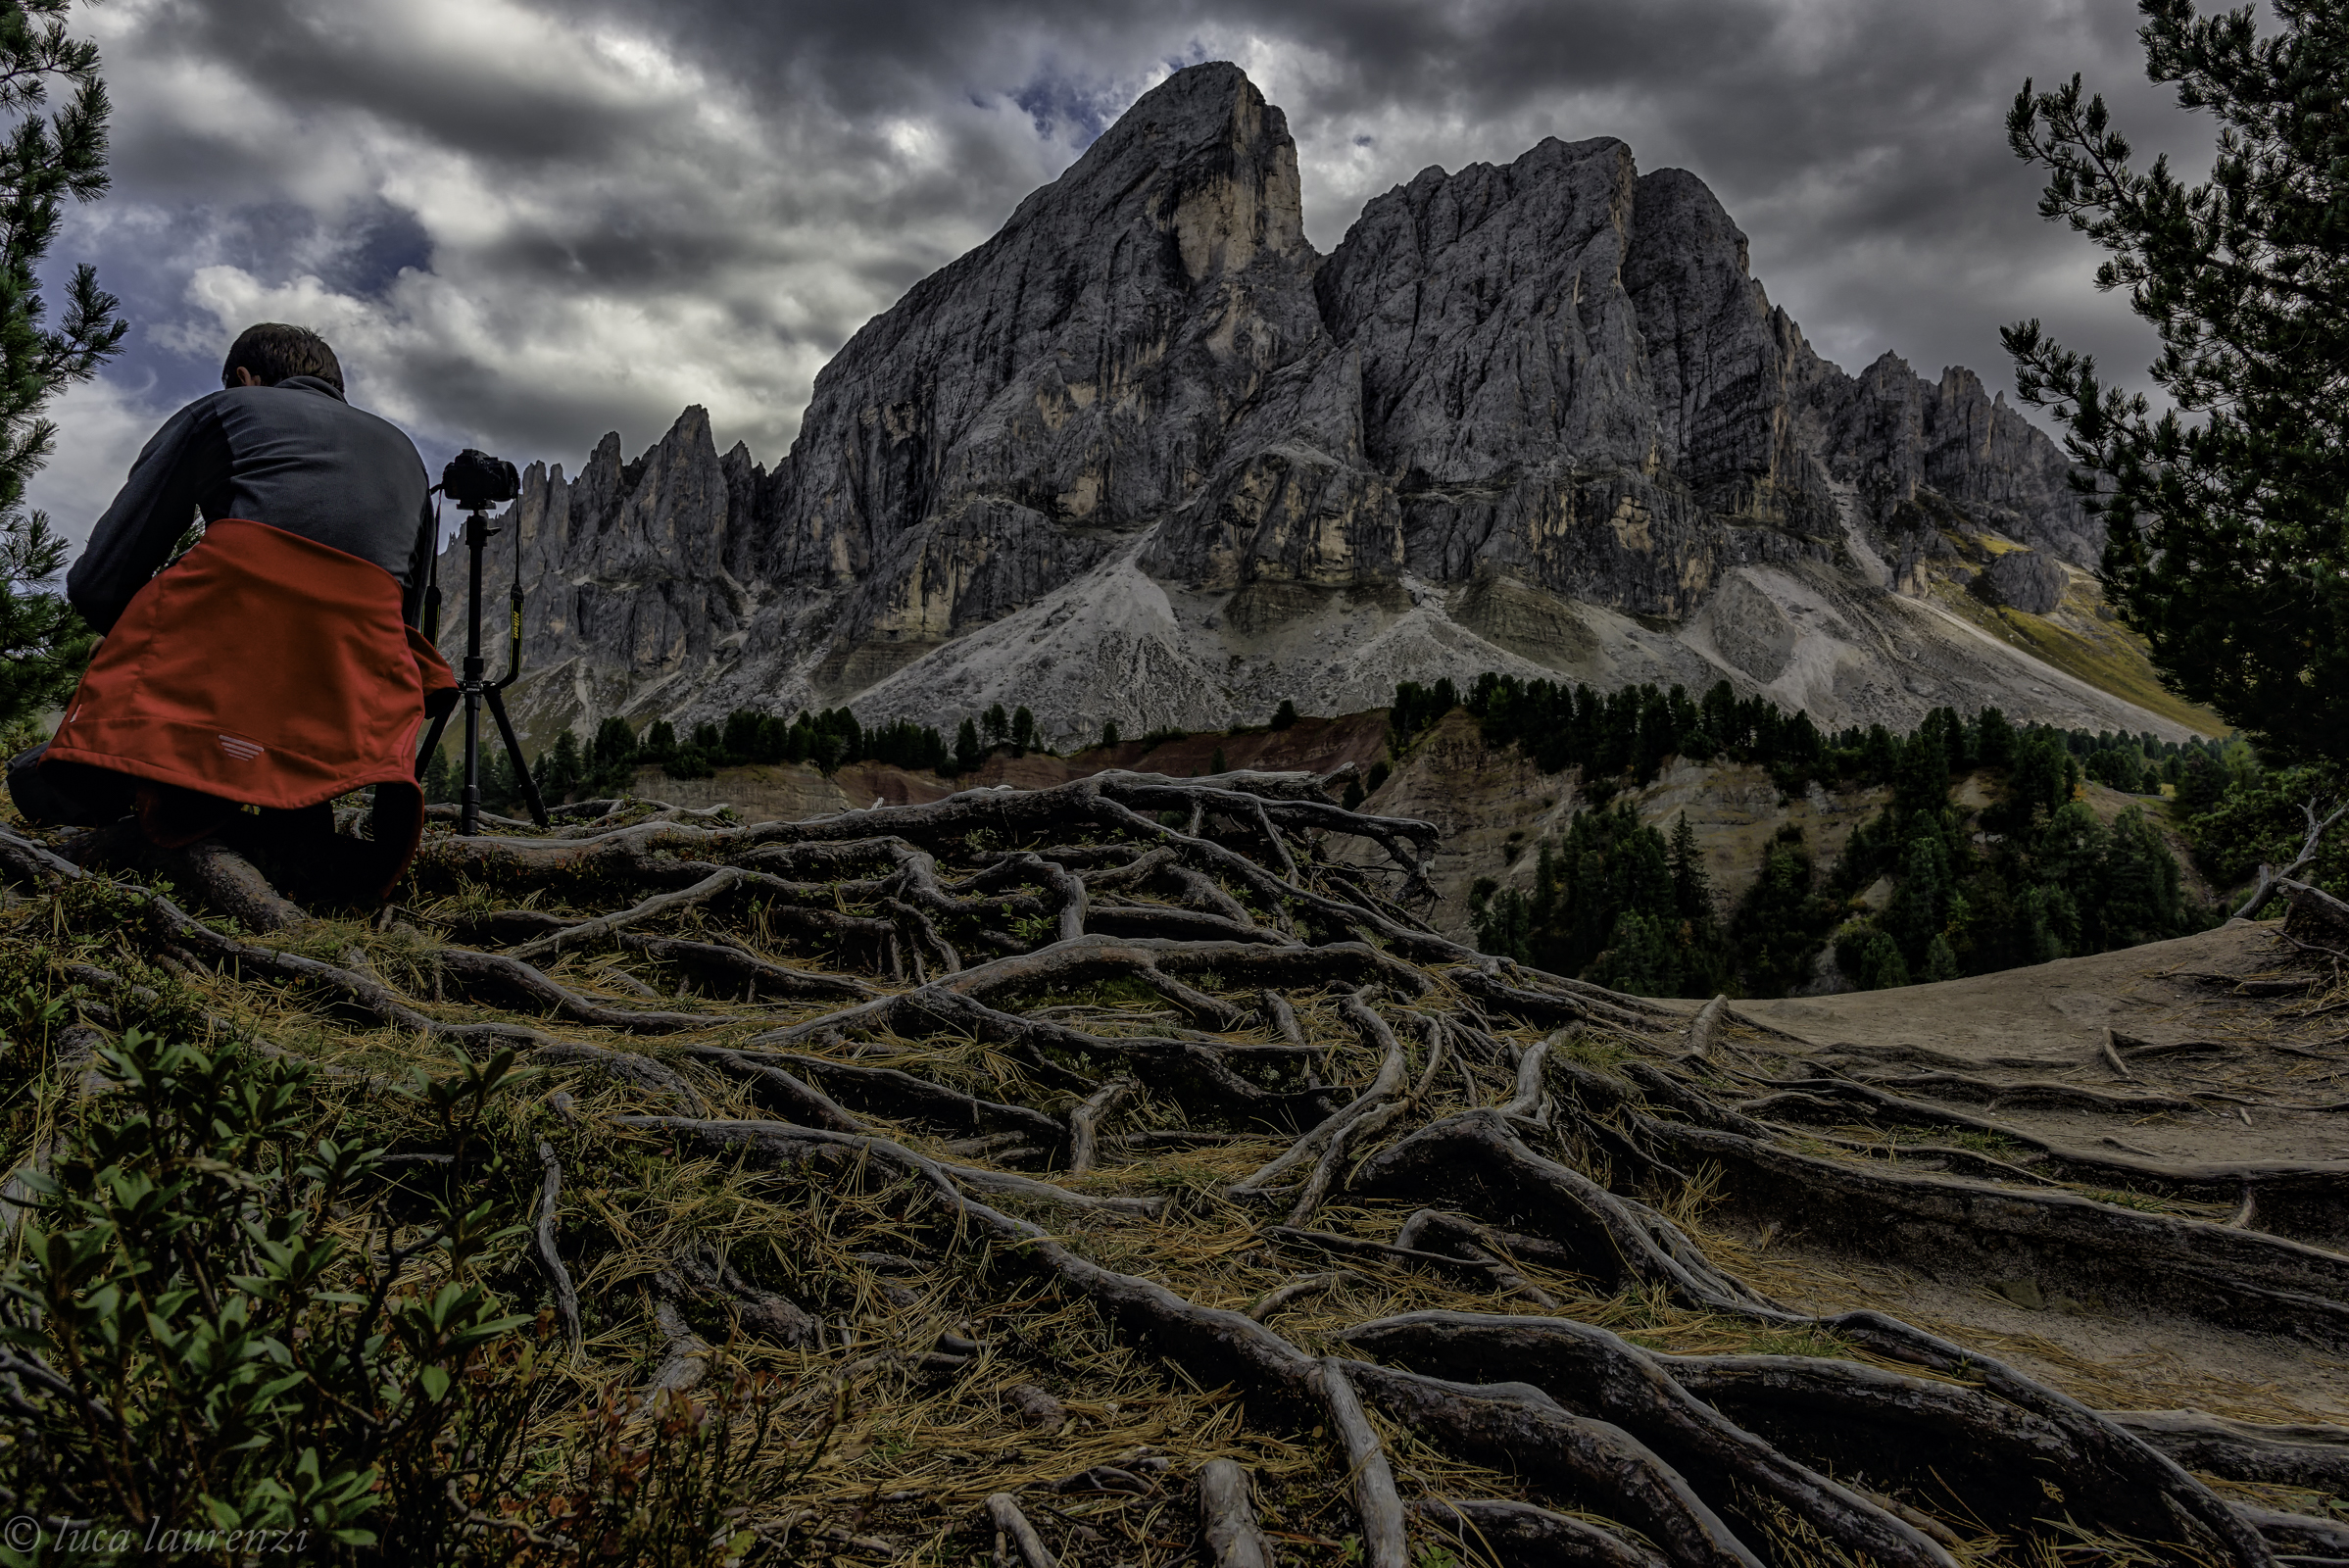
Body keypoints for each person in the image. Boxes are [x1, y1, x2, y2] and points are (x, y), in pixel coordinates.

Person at [8, 322, 455, 899]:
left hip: (207, 683)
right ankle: (282, 818)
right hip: (336, 703)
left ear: (246, 378)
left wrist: (131, 637)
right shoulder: (409, 457)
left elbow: (100, 579)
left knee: (35, 782)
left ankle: (173, 789)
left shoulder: (225, 410)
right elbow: (402, 616)